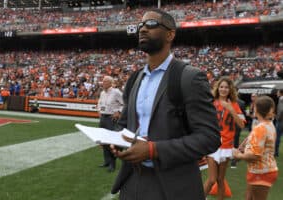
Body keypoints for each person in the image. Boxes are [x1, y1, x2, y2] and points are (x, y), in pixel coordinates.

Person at [110, 9, 221, 200]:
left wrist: (154, 150)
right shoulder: (135, 78)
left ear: (170, 34)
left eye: (151, 24)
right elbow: (124, 124)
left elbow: (209, 138)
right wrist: (114, 139)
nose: (143, 29)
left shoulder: (190, 77)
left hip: (173, 186)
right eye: (140, 25)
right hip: (132, 181)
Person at [204, 77, 245, 199]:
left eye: (226, 87)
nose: (223, 89)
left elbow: (241, 124)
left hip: (226, 146)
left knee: (221, 179)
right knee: (212, 179)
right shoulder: (211, 102)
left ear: (230, 89)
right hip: (212, 144)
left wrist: (231, 109)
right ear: (218, 88)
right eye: (221, 86)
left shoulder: (234, 105)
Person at [233, 95, 278, 200]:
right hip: (263, 170)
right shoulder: (268, 124)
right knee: (248, 197)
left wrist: (238, 155)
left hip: (261, 172)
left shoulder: (260, 128)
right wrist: (245, 144)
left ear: (256, 109)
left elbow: (254, 156)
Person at [97, 76, 123, 172]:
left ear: (110, 83)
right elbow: (99, 103)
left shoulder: (116, 92)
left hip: (111, 118)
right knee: (103, 141)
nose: (102, 83)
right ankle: (107, 161)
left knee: (111, 141)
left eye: (104, 82)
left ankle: (112, 164)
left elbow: (124, 103)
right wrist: (99, 110)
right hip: (103, 117)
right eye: (103, 81)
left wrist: (119, 112)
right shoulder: (102, 93)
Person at [231, 93, 247, 168]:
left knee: (235, 142)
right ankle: (233, 160)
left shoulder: (240, 102)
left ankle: (234, 160)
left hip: (235, 125)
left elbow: (242, 115)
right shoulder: (241, 102)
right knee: (235, 142)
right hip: (234, 125)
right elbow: (243, 115)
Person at [275, 89, 283, 157]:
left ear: (280, 93)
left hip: (280, 121)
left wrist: (278, 118)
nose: (276, 93)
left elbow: (281, 110)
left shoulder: (281, 99)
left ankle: (275, 152)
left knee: (277, 136)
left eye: (277, 92)